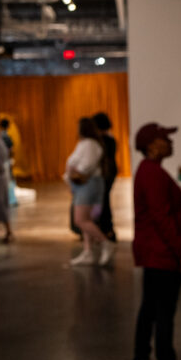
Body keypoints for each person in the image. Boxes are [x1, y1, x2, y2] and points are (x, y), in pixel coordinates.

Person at [130, 122, 181, 360]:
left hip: (153, 251)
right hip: (163, 253)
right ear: (153, 145)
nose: (171, 143)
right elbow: (162, 217)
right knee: (164, 310)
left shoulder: (149, 171)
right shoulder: (153, 173)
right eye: (166, 139)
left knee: (150, 308)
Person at [64, 117, 115, 267]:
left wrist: (74, 171)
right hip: (85, 184)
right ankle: (88, 252)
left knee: (80, 220)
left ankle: (106, 243)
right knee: (87, 219)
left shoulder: (90, 145)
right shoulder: (87, 144)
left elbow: (85, 166)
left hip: (87, 184)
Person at [92, 112, 117, 241]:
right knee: (104, 200)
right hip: (110, 172)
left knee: (103, 201)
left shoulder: (103, 140)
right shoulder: (110, 138)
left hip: (105, 173)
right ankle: (106, 229)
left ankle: (106, 229)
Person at [0, 117, 18, 207]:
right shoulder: (5, 136)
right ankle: (11, 199)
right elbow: (11, 149)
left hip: (0, 161)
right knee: (9, 179)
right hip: (5, 161)